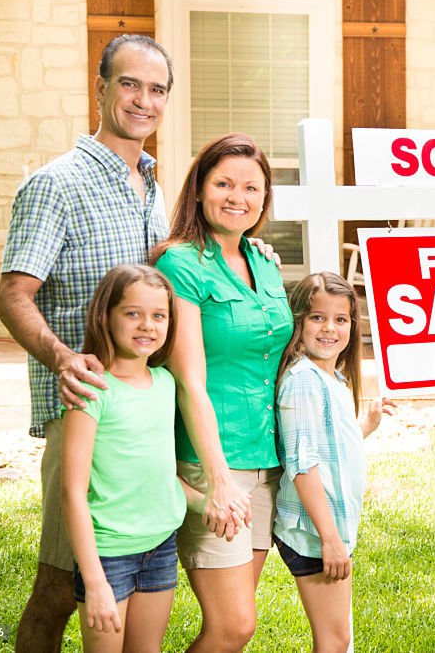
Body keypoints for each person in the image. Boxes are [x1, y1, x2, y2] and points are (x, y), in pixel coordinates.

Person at [0, 34, 179, 652]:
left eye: (157, 90)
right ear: (100, 86)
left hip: (140, 412)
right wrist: (63, 358)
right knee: (59, 584)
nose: (143, 100)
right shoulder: (57, 184)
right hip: (82, 411)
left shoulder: (152, 187)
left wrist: (248, 248)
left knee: (120, 580)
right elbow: (14, 295)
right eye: (130, 83)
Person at [152, 133, 293, 652]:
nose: (238, 197)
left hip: (267, 459)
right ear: (200, 189)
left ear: (264, 197)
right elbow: (189, 379)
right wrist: (217, 481)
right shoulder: (180, 264)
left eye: (251, 188)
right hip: (217, 463)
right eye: (224, 184)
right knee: (233, 625)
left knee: (232, 627)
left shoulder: (263, 262)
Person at [61, 265, 186, 652]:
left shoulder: (165, 383)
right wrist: (96, 580)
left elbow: (159, 473)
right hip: (109, 553)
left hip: (162, 544)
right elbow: (72, 493)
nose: (147, 325)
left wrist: (211, 500)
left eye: (158, 315)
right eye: (132, 313)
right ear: (106, 316)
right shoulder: (92, 391)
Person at [273, 272, 395, 653]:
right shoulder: (304, 380)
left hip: (329, 530)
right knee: (335, 641)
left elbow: (329, 451)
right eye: (317, 318)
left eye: (340, 319)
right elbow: (302, 463)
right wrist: (329, 539)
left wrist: (365, 427)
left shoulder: (333, 378)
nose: (330, 328)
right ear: (299, 322)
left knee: (340, 638)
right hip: (314, 533)